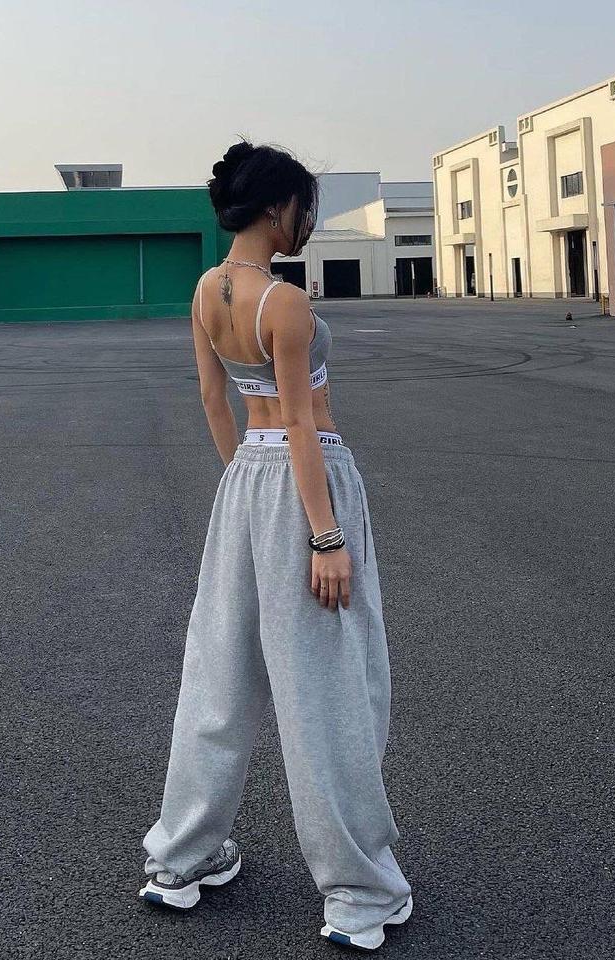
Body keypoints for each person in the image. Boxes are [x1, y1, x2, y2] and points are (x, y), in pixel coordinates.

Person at [138, 138, 413, 951]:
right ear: (274, 208)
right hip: (307, 481)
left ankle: (180, 859)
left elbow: (212, 398)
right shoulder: (284, 302)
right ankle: (359, 894)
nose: (307, 221)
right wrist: (321, 534)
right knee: (328, 689)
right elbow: (299, 421)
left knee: (217, 675)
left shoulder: (205, 290)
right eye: (303, 207)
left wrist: (247, 492)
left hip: (245, 487)